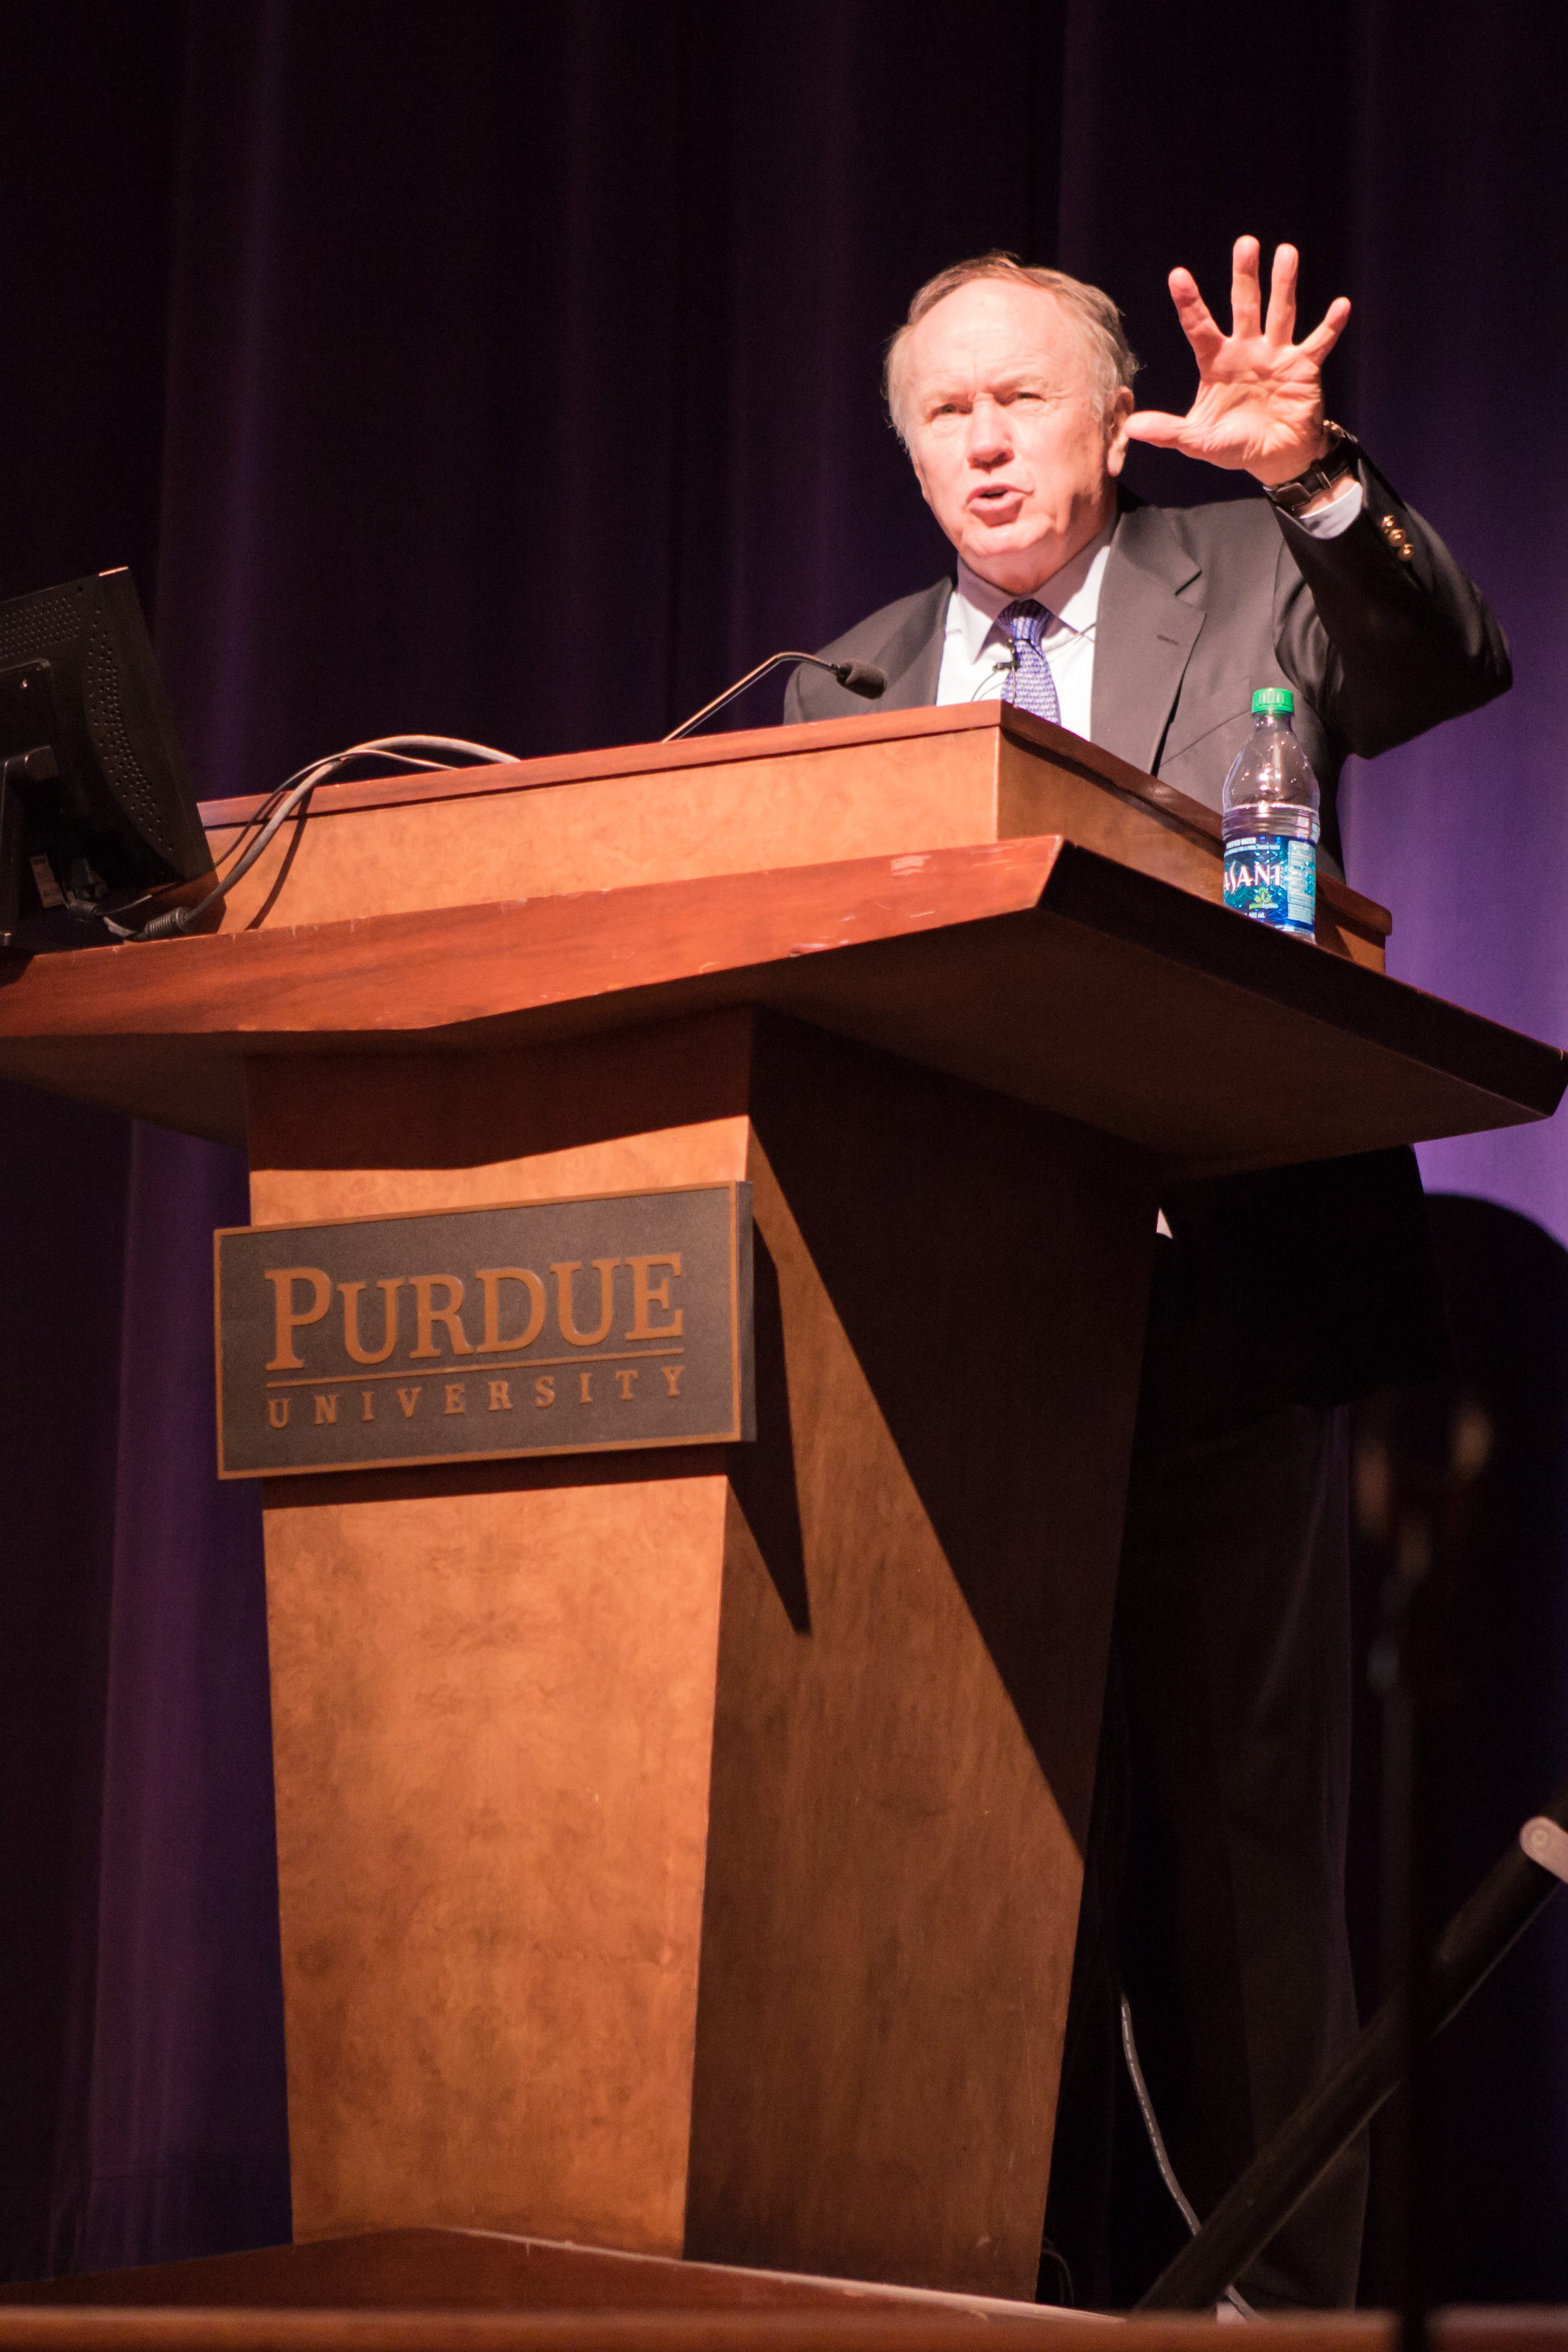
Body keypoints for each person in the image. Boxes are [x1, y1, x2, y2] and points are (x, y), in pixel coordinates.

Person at [784, 241, 1510, 2310]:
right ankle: (965, 2277)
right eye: (946, 413)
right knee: (954, 1851)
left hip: (1220, 1311)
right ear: (909, 456)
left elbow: (1444, 660)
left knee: (1244, 1865)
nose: (987, 440)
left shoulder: (1245, 575)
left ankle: (1286, 2310)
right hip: (929, 1334)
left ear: (1112, 424)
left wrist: (1319, 485)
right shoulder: (837, 689)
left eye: (1022, 399)